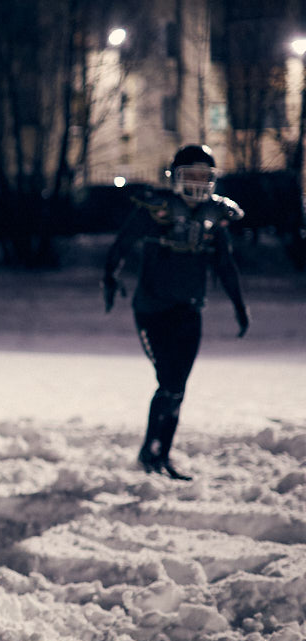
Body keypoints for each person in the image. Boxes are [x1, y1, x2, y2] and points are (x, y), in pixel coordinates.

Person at [103, 144, 249, 480]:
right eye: (190, 175)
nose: (197, 182)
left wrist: (240, 306)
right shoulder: (156, 210)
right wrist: (109, 277)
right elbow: (121, 245)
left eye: (203, 175)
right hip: (152, 310)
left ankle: (160, 454)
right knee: (169, 383)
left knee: (177, 386)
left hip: (189, 310)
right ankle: (151, 453)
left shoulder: (215, 216)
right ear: (176, 177)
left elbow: (225, 265)